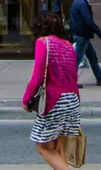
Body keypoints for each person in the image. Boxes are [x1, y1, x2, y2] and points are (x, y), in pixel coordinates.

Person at [22, 13, 81, 170]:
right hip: (73, 100)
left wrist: (26, 99)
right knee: (58, 148)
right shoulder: (68, 45)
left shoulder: (43, 42)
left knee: (43, 147)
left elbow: (38, 76)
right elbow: (74, 76)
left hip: (55, 100)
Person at [69, 0, 101, 87]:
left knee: (92, 56)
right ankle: (70, 81)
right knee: (77, 59)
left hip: (81, 35)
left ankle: (99, 76)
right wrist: (100, 34)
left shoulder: (77, 2)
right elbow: (89, 21)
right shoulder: (83, 4)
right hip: (82, 36)